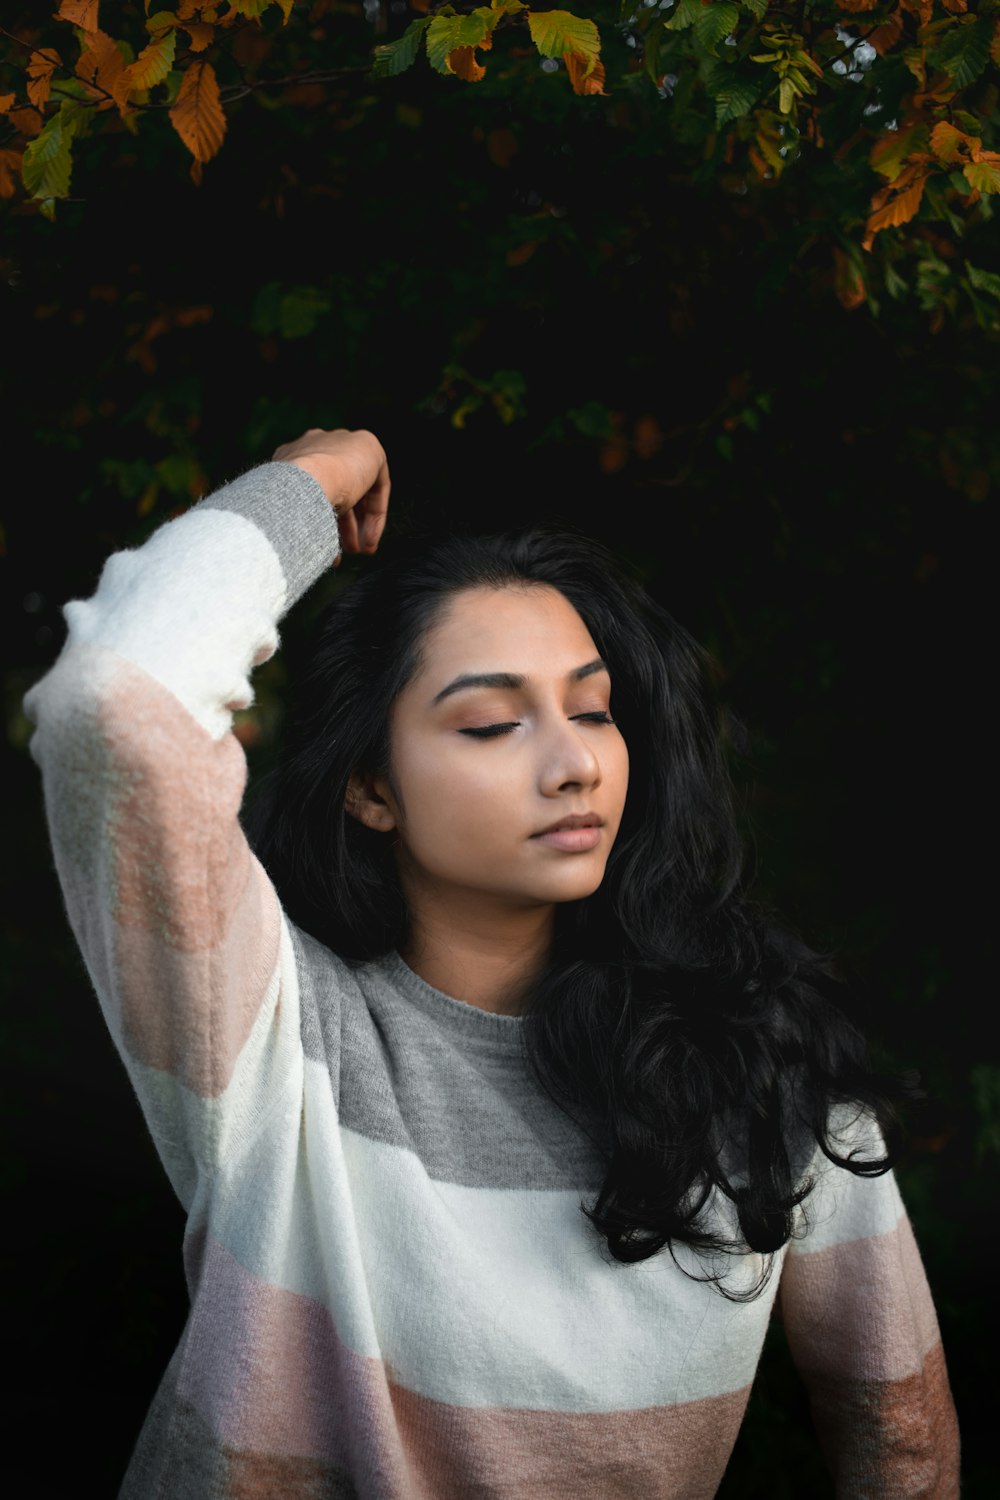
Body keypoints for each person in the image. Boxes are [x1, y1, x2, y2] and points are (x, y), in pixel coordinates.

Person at [24, 427, 959, 1498]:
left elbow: (903, 1441)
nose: (573, 765)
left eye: (594, 710)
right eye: (490, 722)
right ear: (371, 788)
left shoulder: (768, 1068)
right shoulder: (276, 1041)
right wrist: (311, 486)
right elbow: (116, 707)